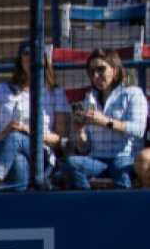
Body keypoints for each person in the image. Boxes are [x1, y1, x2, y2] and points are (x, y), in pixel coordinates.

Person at [0, 41, 65, 192]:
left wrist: (28, 131)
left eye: (36, 54)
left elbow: (60, 139)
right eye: (26, 54)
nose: (30, 58)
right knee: (18, 160)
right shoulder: (3, 90)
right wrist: (4, 133)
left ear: (44, 60)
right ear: (20, 59)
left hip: (40, 153)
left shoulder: (56, 94)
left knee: (16, 137)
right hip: (3, 150)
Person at [59, 47, 147, 190]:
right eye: (91, 72)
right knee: (70, 164)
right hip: (97, 159)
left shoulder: (133, 93)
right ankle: (89, 202)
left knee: (122, 176)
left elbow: (139, 130)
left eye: (101, 69)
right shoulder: (89, 99)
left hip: (124, 157)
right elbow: (84, 148)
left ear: (115, 69)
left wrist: (105, 121)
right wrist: (80, 132)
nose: (96, 76)